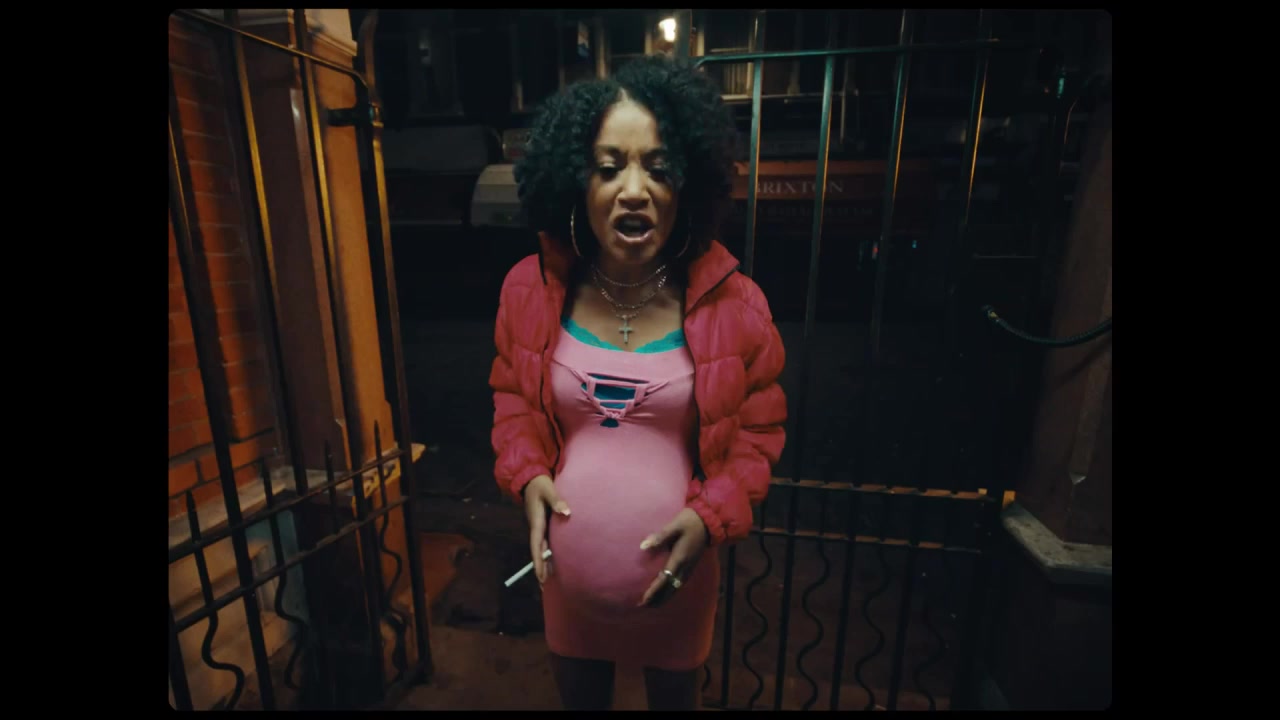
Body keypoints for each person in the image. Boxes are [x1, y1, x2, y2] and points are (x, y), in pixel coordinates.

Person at [489, 54, 788, 711]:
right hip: (568, 590)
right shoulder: (528, 292)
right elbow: (512, 403)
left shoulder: (737, 306)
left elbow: (758, 436)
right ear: (575, 184)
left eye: (658, 167)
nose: (633, 189)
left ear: (687, 185)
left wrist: (710, 518)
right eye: (608, 168)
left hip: (679, 589)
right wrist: (528, 476)